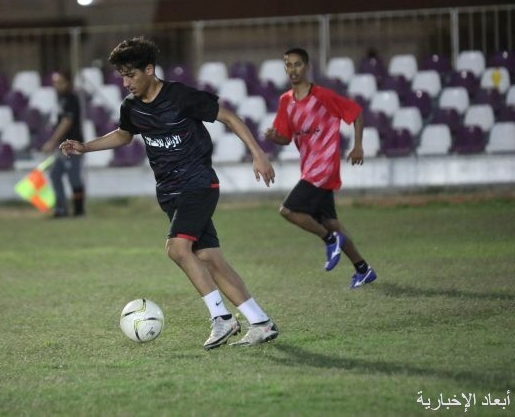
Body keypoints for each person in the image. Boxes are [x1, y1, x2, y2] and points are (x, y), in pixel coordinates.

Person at [61, 37, 278, 349]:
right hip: (170, 193)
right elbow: (123, 135)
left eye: (131, 75)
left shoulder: (180, 96)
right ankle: (261, 323)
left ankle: (222, 318)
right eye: (122, 76)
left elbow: (229, 117)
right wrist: (85, 147)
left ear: (149, 70)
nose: (126, 83)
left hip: (198, 184)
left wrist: (258, 154)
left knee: (177, 249)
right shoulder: (131, 107)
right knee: (209, 257)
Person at [265, 47, 377, 289]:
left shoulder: (323, 96)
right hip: (309, 169)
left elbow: (356, 113)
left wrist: (358, 146)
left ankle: (329, 241)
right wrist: (275, 137)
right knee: (331, 222)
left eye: (297, 64)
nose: (293, 69)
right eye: (288, 65)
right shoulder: (285, 101)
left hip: (324, 167)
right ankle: (363, 269)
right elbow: (285, 137)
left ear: (307, 67)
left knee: (287, 210)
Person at [42, 70, 85, 218]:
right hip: (63, 146)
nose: (57, 85)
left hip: (73, 145)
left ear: (68, 83)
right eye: (55, 82)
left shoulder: (71, 99)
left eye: (60, 82)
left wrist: (52, 141)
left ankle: (79, 211)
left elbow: (67, 121)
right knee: (55, 174)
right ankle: (61, 209)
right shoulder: (61, 100)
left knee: (74, 177)